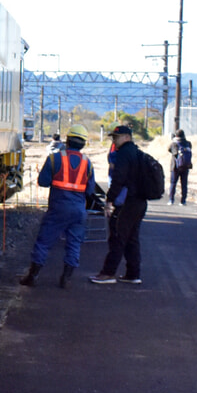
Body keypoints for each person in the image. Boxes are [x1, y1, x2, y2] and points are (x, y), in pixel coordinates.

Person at [20, 124, 96, 289]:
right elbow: (90, 190)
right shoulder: (87, 163)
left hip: (58, 207)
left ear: (67, 140)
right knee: (74, 243)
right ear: (83, 143)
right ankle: (66, 279)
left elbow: (43, 182)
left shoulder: (54, 158)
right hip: (78, 210)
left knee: (44, 241)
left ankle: (32, 276)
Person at [91, 124, 148, 285]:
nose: (114, 140)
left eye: (117, 137)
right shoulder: (138, 153)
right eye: (113, 137)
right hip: (140, 202)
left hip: (126, 203)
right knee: (132, 238)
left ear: (127, 137)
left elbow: (118, 180)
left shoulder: (123, 154)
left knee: (117, 237)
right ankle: (133, 274)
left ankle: (108, 273)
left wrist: (109, 201)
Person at [168, 129, 193, 205]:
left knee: (173, 183)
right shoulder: (188, 143)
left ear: (176, 135)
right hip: (186, 166)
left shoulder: (174, 143)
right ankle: (183, 201)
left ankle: (171, 200)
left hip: (175, 166)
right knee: (184, 184)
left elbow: (170, 150)